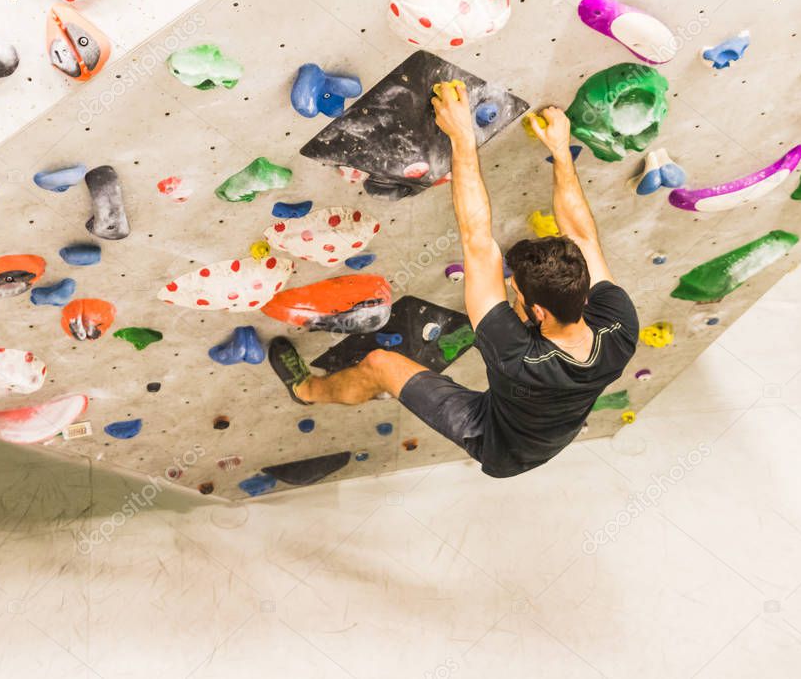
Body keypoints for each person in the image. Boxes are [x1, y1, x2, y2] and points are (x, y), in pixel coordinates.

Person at [268, 83, 639, 478]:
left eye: (516, 291)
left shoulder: (516, 355)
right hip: (552, 424)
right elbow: (582, 236)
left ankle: (307, 392)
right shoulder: (619, 323)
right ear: (584, 295)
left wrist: (462, 136)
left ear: (538, 312)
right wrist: (561, 151)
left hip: (499, 442)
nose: (511, 289)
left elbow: (477, 241)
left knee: (379, 364)